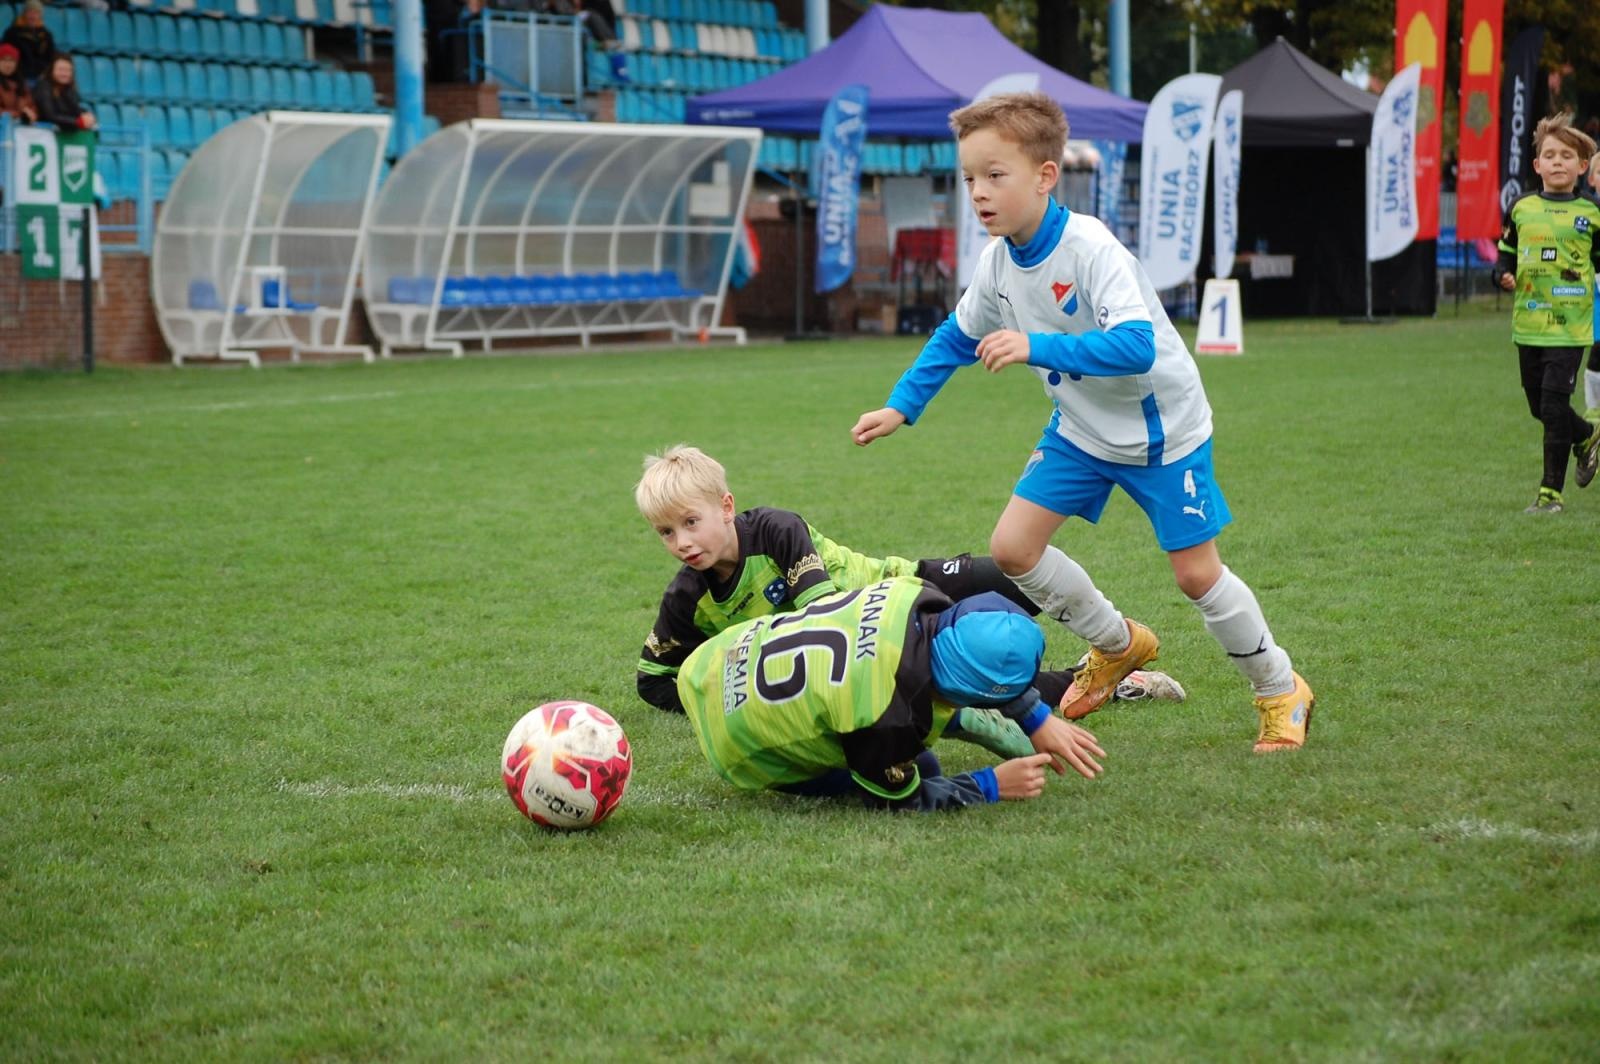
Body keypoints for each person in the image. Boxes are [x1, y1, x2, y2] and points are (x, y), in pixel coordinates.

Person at [850, 91, 1313, 753]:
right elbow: (957, 334)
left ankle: (1280, 688)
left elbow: (1136, 346)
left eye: (995, 175)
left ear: (1046, 176)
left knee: (1196, 575)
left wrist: (1034, 345)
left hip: (1160, 434)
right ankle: (1119, 645)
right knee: (1013, 548)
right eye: (969, 178)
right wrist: (902, 405)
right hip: (1081, 430)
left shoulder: (1091, 248)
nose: (978, 192)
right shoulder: (998, 261)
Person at [633, 445, 1186, 757]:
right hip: (883, 650)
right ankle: (1108, 682)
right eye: (666, 532)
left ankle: (1114, 643)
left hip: (900, 585)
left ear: (727, 507)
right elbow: (652, 680)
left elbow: (820, 611)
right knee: (976, 674)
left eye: (691, 522)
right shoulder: (687, 598)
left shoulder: (775, 530)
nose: (682, 542)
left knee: (1018, 571)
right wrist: (725, 693)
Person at [675, 575, 1107, 811]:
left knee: (892, 700)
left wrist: (1035, 716)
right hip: (734, 742)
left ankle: (958, 717)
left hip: (714, 656)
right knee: (926, 769)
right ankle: (959, 718)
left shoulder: (916, 593)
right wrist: (990, 784)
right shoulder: (890, 720)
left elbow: (965, 651)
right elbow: (900, 800)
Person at [1492, 113, 1600, 513]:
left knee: (1554, 406)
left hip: (1570, 328)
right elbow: (1505, 254)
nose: (1558, 162)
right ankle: (1586, 435)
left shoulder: (1593, 212)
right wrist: (1502, 275)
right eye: (1550, 155)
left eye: (1566, 156)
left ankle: (1549, 494)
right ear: (1537, 165)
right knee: (1539, 407)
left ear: (1582, 166)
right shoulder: (1520, 207)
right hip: (1528, 324)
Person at [31, 54, 95, 132]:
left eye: (68, 70)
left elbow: (74, 109)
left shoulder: (69, 89)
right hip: (41, 132)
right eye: (61, 69)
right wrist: (76, 122)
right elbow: (50, 115)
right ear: (51, 70)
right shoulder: (43, 86)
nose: (64, 74)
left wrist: (86, 114)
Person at [1, 0, 54, 85]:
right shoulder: (12, 33)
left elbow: (50, 57)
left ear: (40, 15)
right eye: (30, 12)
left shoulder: (46, 35)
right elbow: (5, 56)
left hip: (40, 77)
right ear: (24, 13)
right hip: (18, 77)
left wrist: (44, 73)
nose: (33, 16)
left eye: (36, 13)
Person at [0, 43, 37, 123]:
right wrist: (20, 114)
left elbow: (31, 105)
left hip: (21, 126)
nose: (8, 64)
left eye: (11, 60)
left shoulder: (21, 83)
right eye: (3, 60)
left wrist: (31, 114)